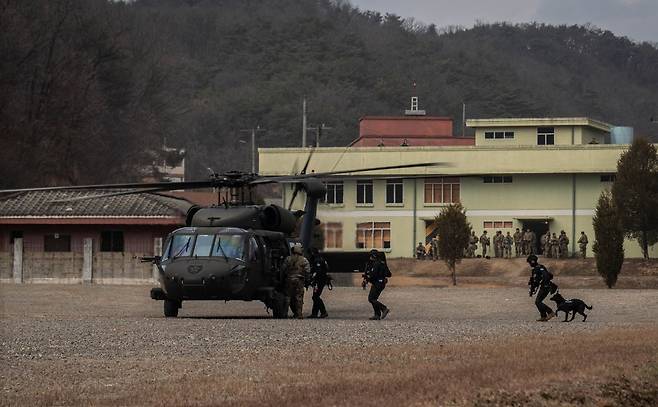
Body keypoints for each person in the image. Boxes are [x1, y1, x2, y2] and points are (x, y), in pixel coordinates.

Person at [280, 244, 310, 319]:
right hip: (299, 281)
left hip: (289, 280)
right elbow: (307, 271)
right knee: (298, 297)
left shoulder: (288, 259)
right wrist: (307, 281)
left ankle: (284, 314)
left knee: (287, 297)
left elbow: (282, 270)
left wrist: (282, 279)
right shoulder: (304, 260)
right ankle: (299, 314)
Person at [527, 254, 556, 322]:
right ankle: (543, 316)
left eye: (529, 262)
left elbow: (539, 279)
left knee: (538, 302)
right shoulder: (540, 267)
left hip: (545, 287)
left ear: (532, 262)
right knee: (538, 301)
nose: (529, 264)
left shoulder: (537, 269)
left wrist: (534, 287)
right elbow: (547, 276)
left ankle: (550, 312)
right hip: (546, 286)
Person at [363, 250, 391, 320]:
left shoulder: (376, 264)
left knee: (371, 299)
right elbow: (389, 274)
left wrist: (367, 277)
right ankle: (377, 315)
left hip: (378, 283)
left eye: (371, 256)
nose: (370, 257)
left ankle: (384, 308)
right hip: (380, 283)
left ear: (373, 256)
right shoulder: (382, 263)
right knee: (374, 299)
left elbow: (373, 275)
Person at [307, 248, 329, 318]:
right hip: (321, 280)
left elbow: (318, 272)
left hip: (319, 281)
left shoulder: (317, 260)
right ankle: (314, 313)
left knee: (315, 297)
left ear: (313, 253)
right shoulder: (321, 258)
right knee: (315, 296)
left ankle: (323, 312)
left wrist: (313, 279)